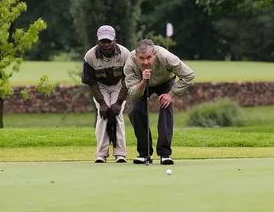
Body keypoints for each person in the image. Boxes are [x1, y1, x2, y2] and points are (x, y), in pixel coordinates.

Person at [124, 39, 195, 165]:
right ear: (136, 57)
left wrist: (171, 94)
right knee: (135, 111)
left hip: (165, 82)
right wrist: (143, 81)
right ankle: (144, 154)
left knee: (166, 107)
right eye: (141, 58)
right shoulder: (130, 63)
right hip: (142, 83)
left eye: (148, 58)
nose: (145, 62)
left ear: (154, 54)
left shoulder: (166, 57)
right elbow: (133, 93)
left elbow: (189, 75)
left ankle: (165, 153)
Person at [82, 25, 130, 163]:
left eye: (109, 41)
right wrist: (102, 103)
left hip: (119, 85)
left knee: (117, 113)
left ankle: (120, 153)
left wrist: (119, 102)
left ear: (115, 40)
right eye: (103, 41)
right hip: (100, 86)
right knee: (103, 115)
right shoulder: (90, 56)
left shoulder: (125, 54)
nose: (106, 45)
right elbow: (91, 82)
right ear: (98, 42)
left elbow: (128, 79)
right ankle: (101, 154)